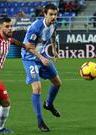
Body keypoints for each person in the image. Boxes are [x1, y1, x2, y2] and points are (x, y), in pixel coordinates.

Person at [21, 4, 62, 132]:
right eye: (51, 14)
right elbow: (27, 45)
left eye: (55, 14)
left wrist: (55, 50)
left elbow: (54, 35)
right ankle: (40, 121)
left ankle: (49, 104)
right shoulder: (36, 27)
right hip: (30, 58)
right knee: (37, 88)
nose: (53, 17)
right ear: (45, 14)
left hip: (42, 56)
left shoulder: (54, 25)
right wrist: (42, 58)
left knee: (57, 83)